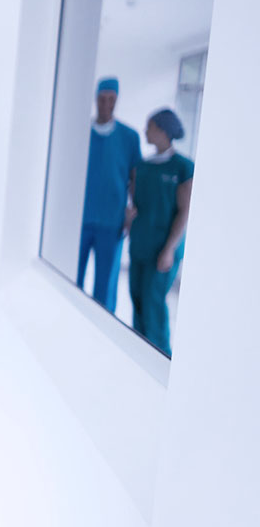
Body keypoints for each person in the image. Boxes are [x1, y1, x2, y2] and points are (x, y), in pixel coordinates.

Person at [128, 108, 193, 355]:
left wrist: (169, 249)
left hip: (162, 248)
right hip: (141, 243)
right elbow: (138, 202)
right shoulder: (143, 166)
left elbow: (185, 211)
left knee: (153, 302)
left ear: (163, 131)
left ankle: (160, 356)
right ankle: (138, 353)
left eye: (150, 126)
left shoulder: (183, 167)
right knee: (137, 299)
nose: (146, 131)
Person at [77, 77, 142, 313]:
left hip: (112, 221)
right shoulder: (80, 133)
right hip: (79, 219)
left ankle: (101, 325)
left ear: (117, 100)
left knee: (105, 286)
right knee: (71, 276)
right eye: (102, 99)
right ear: (95, 99)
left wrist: (131, 212)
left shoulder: (129, 137)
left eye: (111, 99)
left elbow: (135, 178)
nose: (106, 104)